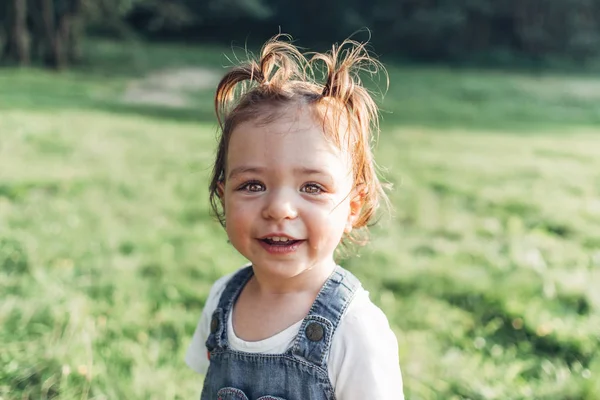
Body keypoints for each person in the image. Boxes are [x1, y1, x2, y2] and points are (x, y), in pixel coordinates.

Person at [185, 34, 404, 399]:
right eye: (252, 185)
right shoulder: (222, 300)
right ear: (224, 198)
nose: (279, 209)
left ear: (352, 206)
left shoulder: (356, 330)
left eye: (313, 187)